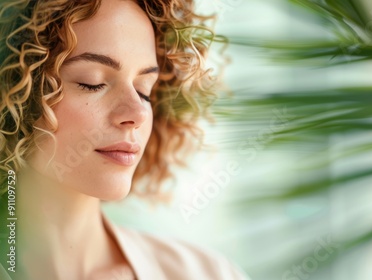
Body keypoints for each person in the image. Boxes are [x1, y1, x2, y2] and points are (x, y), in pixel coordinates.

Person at [0, 0, 248, 279]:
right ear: (13, 91)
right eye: (92, 82)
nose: (138, 113)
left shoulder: (208, 274)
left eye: (144, 90)